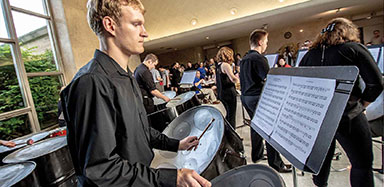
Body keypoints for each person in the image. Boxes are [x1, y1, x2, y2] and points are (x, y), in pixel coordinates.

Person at [60, 1, 211, 186]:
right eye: (136, 24)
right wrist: (171, 178)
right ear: (110, 26)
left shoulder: (127, 76)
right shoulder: (91, 82)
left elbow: (138, 130)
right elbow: (101, 170)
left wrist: (176, 144)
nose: (145, 32)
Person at [300, 18, 383, 187]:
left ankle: (320, 184)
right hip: (348, 114)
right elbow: (376, 83)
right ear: (348, 31)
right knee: (361, 163)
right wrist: (362, 104)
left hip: (319, 117)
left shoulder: (309, 55)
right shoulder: (353, 49)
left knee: (322, 159)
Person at [240, 29, 292, 173]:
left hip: (246, 97)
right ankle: (276, 164)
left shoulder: (244, 58)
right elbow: (269, 80)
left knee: (256, 125)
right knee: (270, 128)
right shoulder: (259, 58)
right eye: (266, 42)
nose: (266, 45)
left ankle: (256, 155)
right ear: (260, 42)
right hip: (256, 97)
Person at [215, 47, 239, 129]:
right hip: (229, 93)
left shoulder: (218, 66)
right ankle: (233, 138)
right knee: (231, 116)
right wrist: (239, 79)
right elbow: (233, 78)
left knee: (228, 115)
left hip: (222, 94)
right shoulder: (226, 65)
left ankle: (228, 135)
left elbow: (216, 81)